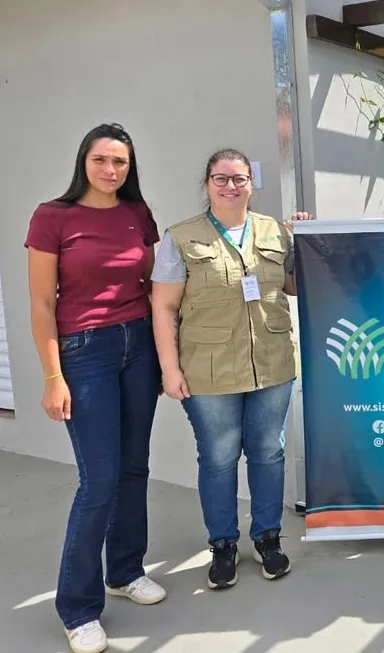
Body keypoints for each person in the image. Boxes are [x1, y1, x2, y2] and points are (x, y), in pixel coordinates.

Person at [25, 123, 166, 653]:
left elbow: (153, 286)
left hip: (138, 349)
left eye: (121, 163)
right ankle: (78, 609)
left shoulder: (137, 215)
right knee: (98, 480)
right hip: (85, 353)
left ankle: (127, 571)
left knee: (134, 469)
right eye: (101, 160)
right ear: (83, 160)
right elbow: (42, 303)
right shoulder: (53, 217)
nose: (111, 170)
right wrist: (52, 375)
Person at [150, 148, 312, 590]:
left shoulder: (275, 232)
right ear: (206, 184)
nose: (230, 186)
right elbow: (163, 307)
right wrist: (169, 368)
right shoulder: (181, 237)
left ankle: (268, 538)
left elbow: (297, 286)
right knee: (219, 458)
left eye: (238, 179)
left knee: (268, 452)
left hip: (272, 363)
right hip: (209, 371)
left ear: (251, 184)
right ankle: (223, 544)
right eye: (220, 179)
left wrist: (310, 238)